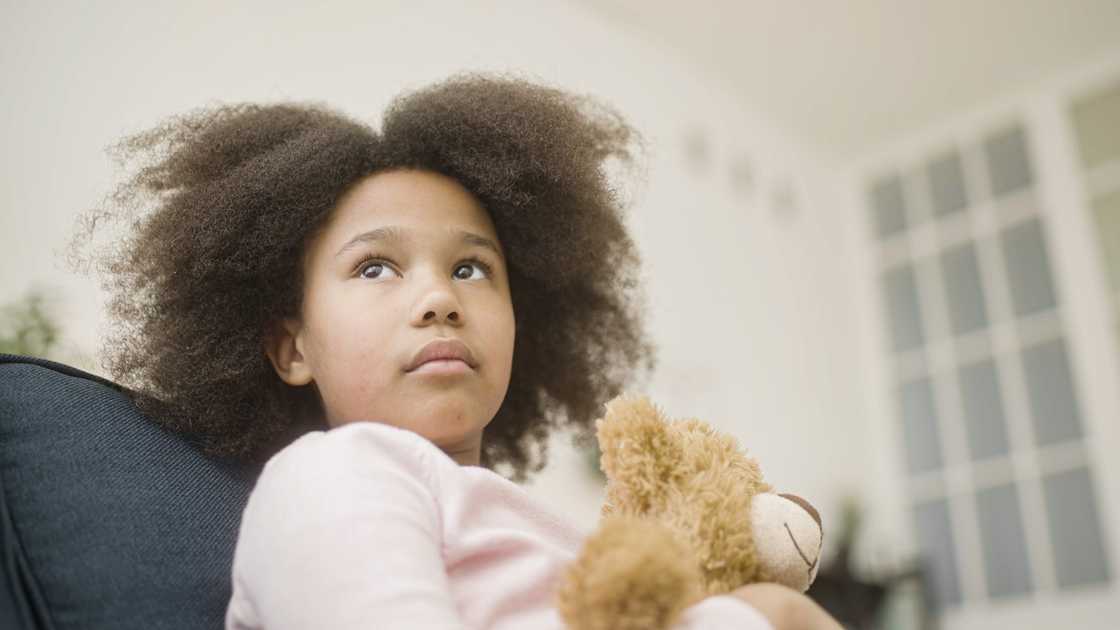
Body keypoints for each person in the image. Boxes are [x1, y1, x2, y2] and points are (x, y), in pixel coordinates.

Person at [73, 74, 842, 630]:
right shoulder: (330, 476)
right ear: (291, 347)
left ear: (519, 322)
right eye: (375, 267)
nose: (440, 298)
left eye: (471, 268)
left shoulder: (552, 528)